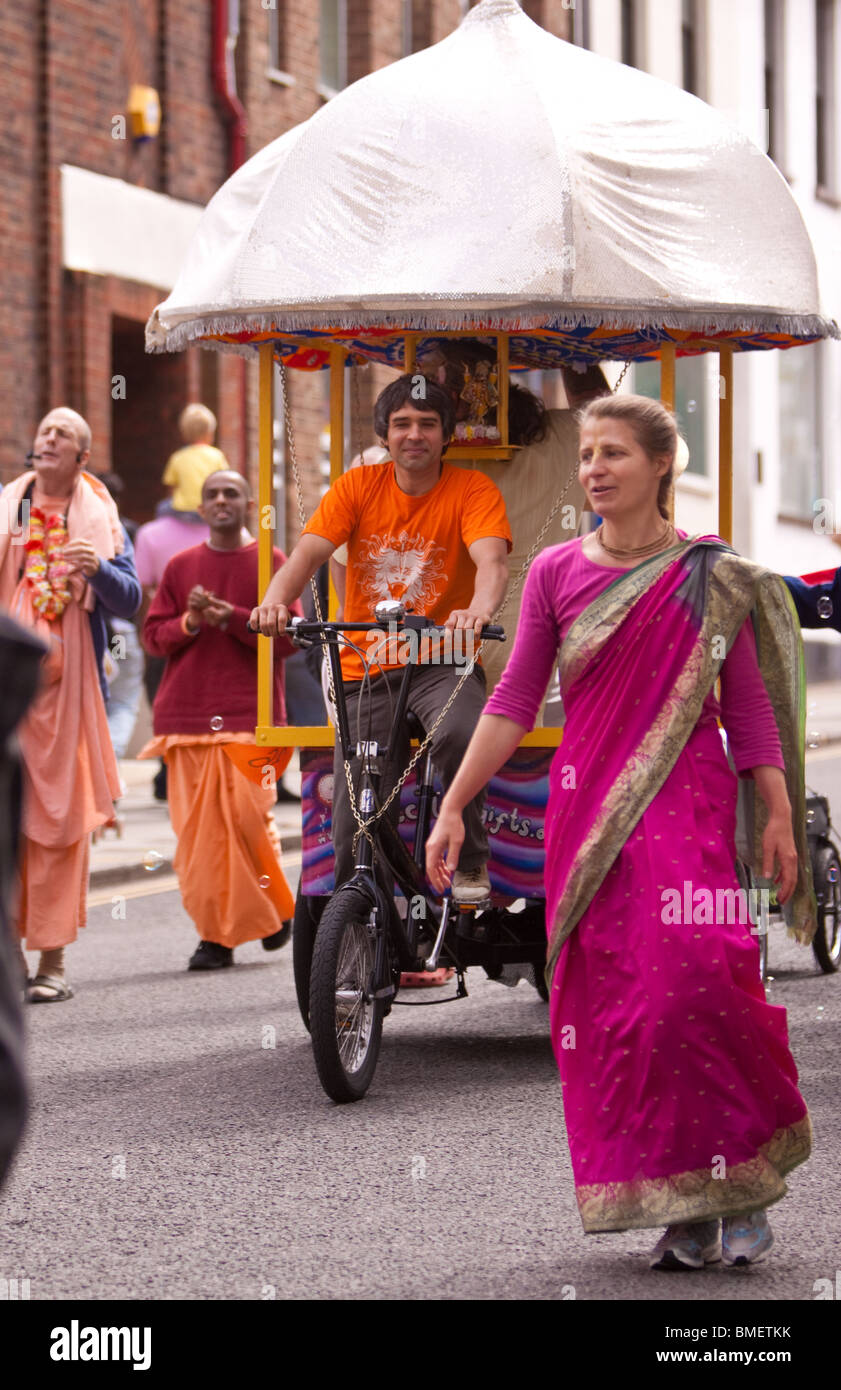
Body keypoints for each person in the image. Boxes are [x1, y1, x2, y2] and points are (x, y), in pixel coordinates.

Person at [427, 393, 813, 1271]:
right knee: (622, 1016)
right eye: (587, 455)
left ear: (658, 467)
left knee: (698, 992)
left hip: (689, 811)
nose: (593, 469)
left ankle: (739, 1177)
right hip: (587, 816)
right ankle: (681, 1203)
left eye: (613, 454)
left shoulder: (711, 576)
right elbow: (513, 699)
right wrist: (454, 803)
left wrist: (779, 812)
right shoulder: (557, 572)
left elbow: (746, 706)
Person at [250, 374, 512, 918]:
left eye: (427, 424)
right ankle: (365, 922)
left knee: (463, 732)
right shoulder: (357, 487)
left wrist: (476, 613)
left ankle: (471, 861)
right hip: (365, 667)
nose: (414, 435)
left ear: (447, 436)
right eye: (402, 424)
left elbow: (492, 563)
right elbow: (304, 559)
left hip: (443, 659)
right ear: (385, 434)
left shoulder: (472, 489)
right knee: (354, 816)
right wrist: (276, 602)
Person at [0, 407, 141, 1002]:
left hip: (69, 699)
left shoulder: (101, 518)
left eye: (64, 435)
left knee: (58, 824)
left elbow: (130, 599)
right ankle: (8, 959)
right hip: (7, 691)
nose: (49, 438)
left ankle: (52, 962)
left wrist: (102, 569)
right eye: (45, 432)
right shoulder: (9, 508)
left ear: (83, 459)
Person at [142, 470, 301, 971]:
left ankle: (274, 910)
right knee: (201, 838)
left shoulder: (273, 562)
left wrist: (230, 617)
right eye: (211, 494)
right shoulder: (179, 565)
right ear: (202, 506)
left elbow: (291, 640)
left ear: (249, 503)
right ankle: (217, 939)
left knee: (249, 821)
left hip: (250, 717)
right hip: (184, 718)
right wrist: (191, 621)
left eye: (231, 492)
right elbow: (153, 637)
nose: (221, 500)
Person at [162, 403, 228, 515]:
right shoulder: (217, 455)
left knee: (162, 507)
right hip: (209, 509)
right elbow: (225, 481)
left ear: (184, 434)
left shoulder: (177, 457)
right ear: (210, 433)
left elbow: (171, 488)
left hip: (182, 511)